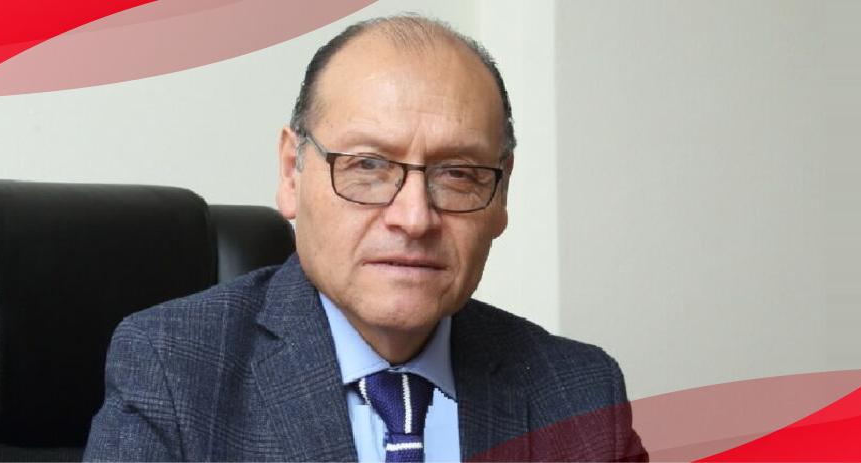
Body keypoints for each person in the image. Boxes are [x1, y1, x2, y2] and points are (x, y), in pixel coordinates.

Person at [84, 14, 643, 462]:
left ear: (500, 196)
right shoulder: (174, 370)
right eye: (369, 166)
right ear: (291, 173)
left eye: (458, 173)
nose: (414, 218)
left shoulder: (581, 393)